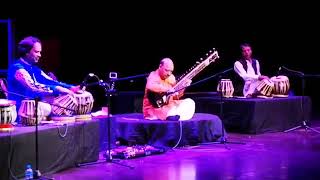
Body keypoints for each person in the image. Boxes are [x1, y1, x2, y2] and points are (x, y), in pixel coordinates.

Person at [7, 36, 82, 123]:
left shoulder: (34, 68)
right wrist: (56, 89)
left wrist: (71, 88)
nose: (40, 55)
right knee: (49, 106)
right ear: (26, 52)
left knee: (65, 97)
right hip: (22, 110)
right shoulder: (17, 68)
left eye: (40, 52)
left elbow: (49, 81)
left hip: (35, 107)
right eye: (36, 52)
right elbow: (32, 87)